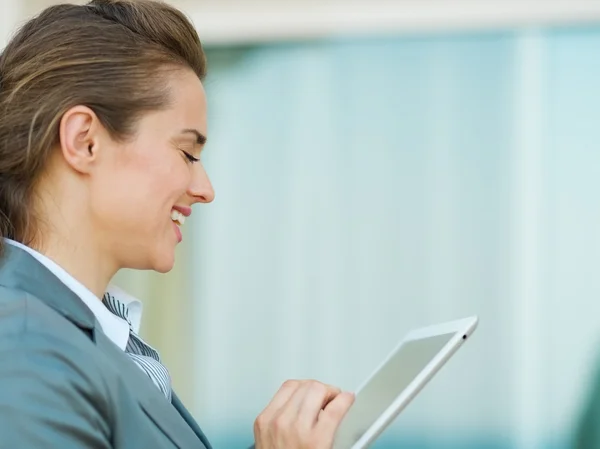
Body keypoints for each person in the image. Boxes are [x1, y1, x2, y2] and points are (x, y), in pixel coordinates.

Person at [0, 1, 355, 448]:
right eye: (187, 153)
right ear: (84, 141)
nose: (205, 189)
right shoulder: (25, 347)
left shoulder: (79, 338)